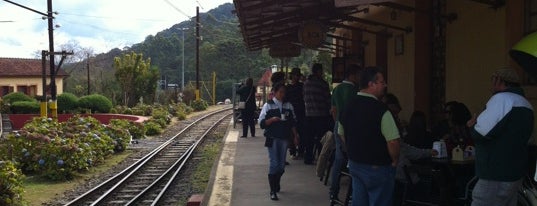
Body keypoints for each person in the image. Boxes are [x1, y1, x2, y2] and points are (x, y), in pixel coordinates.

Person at [467, 68, 534, 206]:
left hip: (495, 174)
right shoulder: (527, 105)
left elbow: (481, 132)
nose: (491, 86)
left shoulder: (502, 99)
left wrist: (472, 126)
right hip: (515, 174)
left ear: (500, 81)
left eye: (493, 81)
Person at [339, 66, 400, 206]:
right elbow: (393, 142)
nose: (385, 85)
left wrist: (352, 149)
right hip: (378, 167)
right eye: (382, 82)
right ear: (371, 84)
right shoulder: (381, 110)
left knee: (359, 202)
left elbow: (341, 133)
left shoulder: (348, 106)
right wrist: (395, 160)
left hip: (355, 164)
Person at [258, 82, 299, 201]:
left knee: (281, 166)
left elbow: (293, 122)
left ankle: (277, 182)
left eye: (284, 92)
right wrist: (271, 120)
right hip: (272, 137)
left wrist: (295, 136)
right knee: (274, 163)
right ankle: (273, 190)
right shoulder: (268, 106)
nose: (282, 94)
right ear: (274, 92)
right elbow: (261, 123)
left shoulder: (288, 105)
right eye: (280, 92)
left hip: (284, 138)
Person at [329, 64, 360, 202]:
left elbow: (334, 110)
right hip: (352, 128)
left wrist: (337, 123)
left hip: (338, 126)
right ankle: (354, 193)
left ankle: (333, 192)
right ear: (353, 75)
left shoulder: (337, 89)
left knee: (339, 159)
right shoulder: (355, 90)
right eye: (358, 75)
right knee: (355, 159)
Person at [303, 63, 332, 165]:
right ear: (318, 71)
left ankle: (308, 158)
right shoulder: (322, 84)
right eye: (321, 71)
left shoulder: (306, 83)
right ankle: (321, 158)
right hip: (321, 115)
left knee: (309, 138)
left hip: (308, 115)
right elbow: (328, 99)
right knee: (321, 139)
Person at [286, 67, 306, 159]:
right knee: (292, 132)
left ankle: (300, 151)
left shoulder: (303, 86)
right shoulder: (288, 87)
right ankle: (293, 151)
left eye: (298, 75)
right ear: (292, 76)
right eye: (295, 75)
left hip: (301, 111)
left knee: (301, 132)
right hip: (292, 112)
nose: (296, 77)